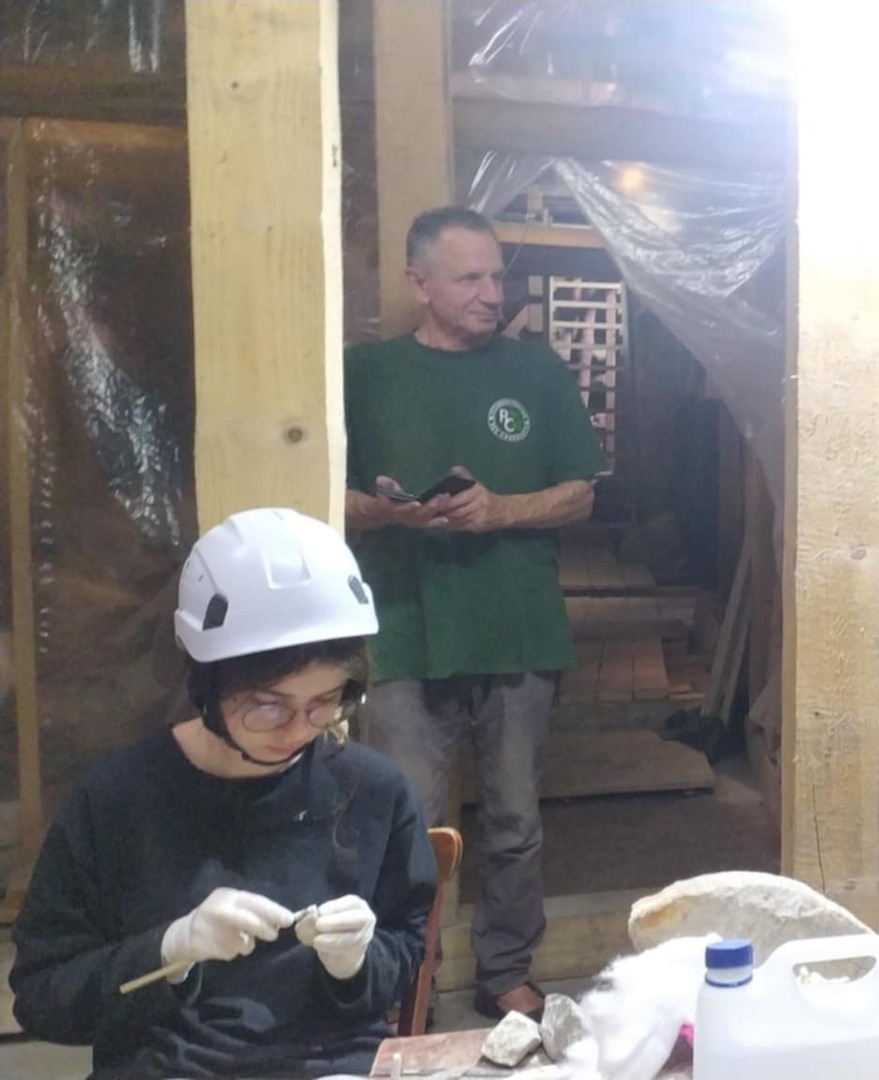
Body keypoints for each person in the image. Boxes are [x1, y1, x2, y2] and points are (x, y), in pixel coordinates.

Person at [9, 508, 438, 1079]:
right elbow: (43, 998)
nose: (299, 729)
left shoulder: (374, 791)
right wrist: (169, 950)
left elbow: (403, 954)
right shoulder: (115, 800)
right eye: (268, 706)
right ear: (206, 683)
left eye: (325, 702)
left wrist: (358, 960)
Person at [345, 206, 605, 1020]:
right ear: (419, 283)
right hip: (405, 629)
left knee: (515, 821)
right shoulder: (365, 374)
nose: (492, 293)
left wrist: (501, 511)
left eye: (497, 275)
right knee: (409, 827)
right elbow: (320, 494)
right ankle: (404, 987)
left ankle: (505, 972)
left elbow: (581, 494)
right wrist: (385, 512)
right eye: (469, 278)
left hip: (517, 626)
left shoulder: (537, 372)